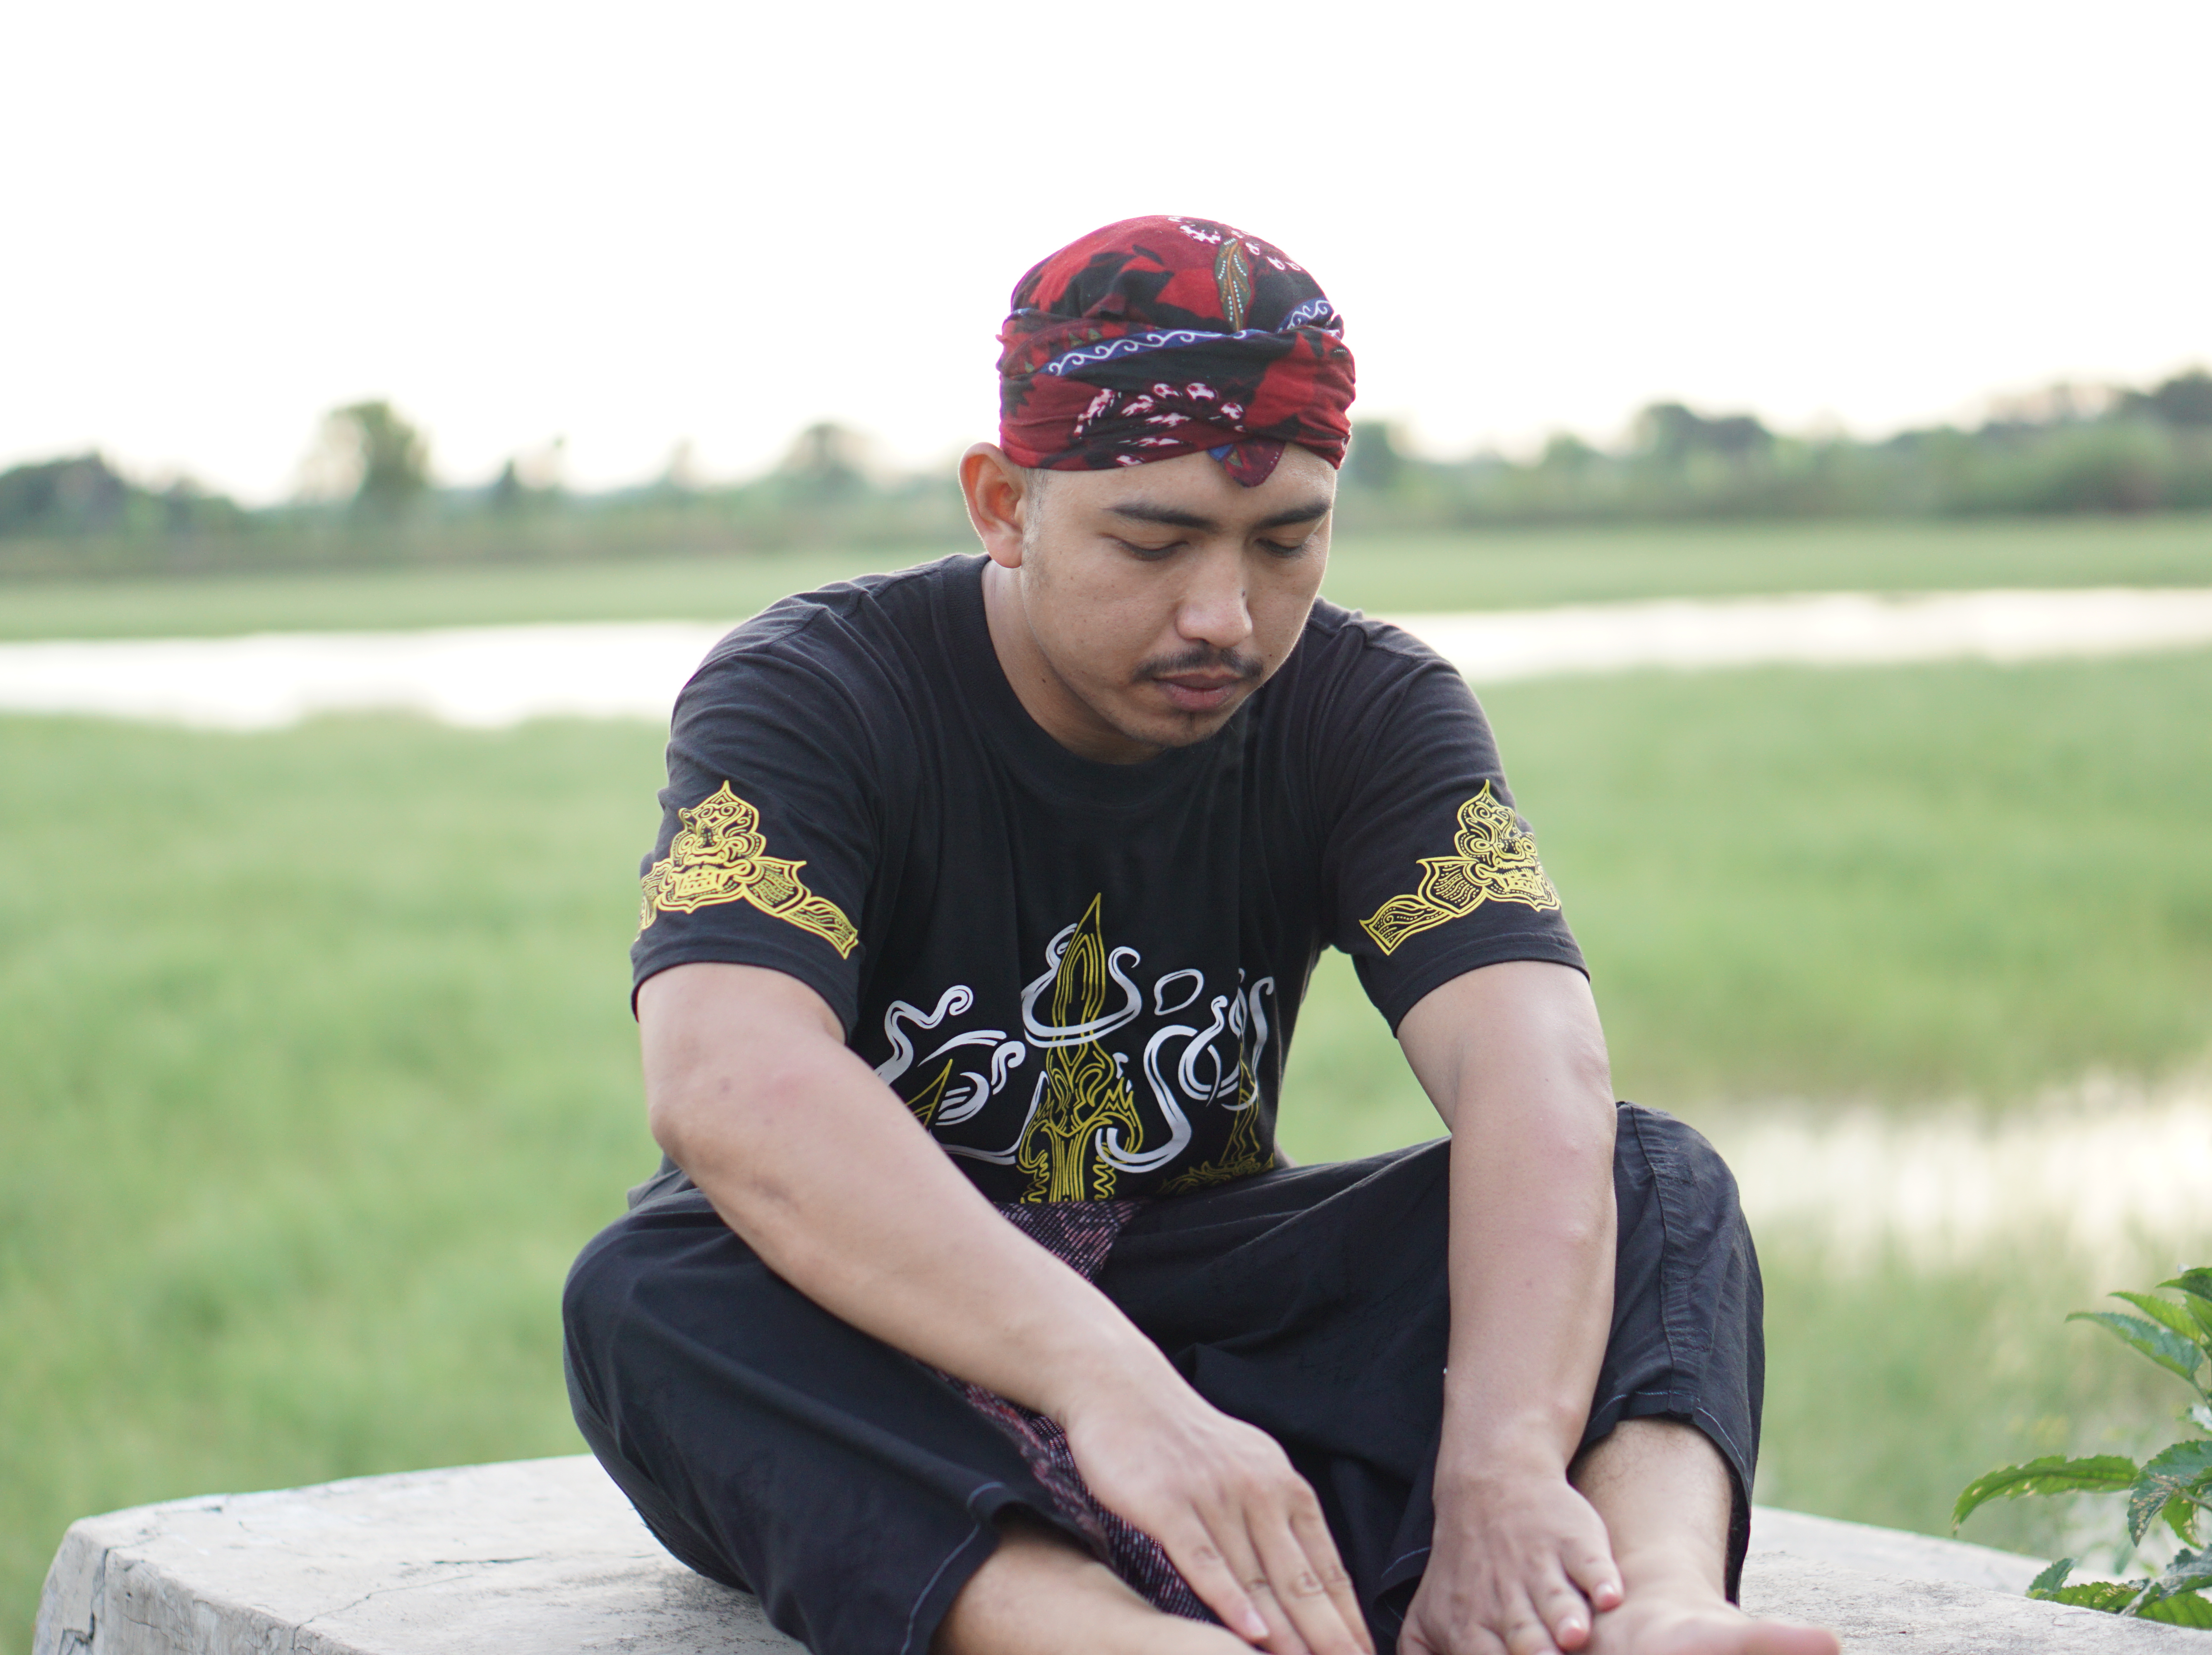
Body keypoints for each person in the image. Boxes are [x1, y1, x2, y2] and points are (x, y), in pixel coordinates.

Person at [564, 216, 1838, 1655]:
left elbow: (1530, 1065)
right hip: (900, 1339)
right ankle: (1106, 1636)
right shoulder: (815, 691)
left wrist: (1502, 1465)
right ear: (1004, 505)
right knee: (652, 1294)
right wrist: (1113, 1390)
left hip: (1207, 1318)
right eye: (1154, 542)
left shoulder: (1369, 707)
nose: (1226, 618)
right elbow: (728, 1081)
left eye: (1287, 542)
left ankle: (1643, 1602)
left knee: (1645, 1171)